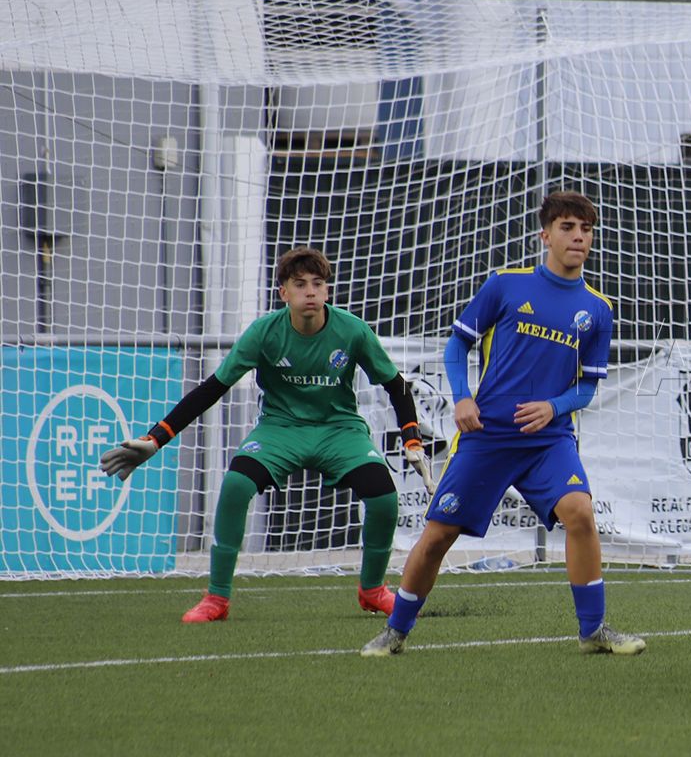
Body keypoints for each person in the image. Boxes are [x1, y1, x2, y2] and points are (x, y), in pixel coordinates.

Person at [360, 190, 645, 658]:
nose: (578, 236)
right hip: (487, 435)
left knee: (580, 512)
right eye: (568, 227)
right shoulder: (506, 285)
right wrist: (462, 398)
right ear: (545, 235)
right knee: (439, 535)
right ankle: (396, 631)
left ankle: (593, 630)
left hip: (548, 440)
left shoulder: (597, 309)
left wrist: (553, 406)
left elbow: (587, 387)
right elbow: (457, 346)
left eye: (586, 229)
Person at [100, 247, 430, 623]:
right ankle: (216, 598)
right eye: (300, 284)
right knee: (236, 485)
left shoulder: (352, 330)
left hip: (339, 429)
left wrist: (412, 439)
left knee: (384, 497)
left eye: (318, 284)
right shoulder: (264, 332)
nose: (310, 291)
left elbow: (396, 385)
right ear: (283, 292)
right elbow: (212, 389)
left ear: (327, 291)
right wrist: (155, 439)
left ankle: (372, 590)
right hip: (279, 429)